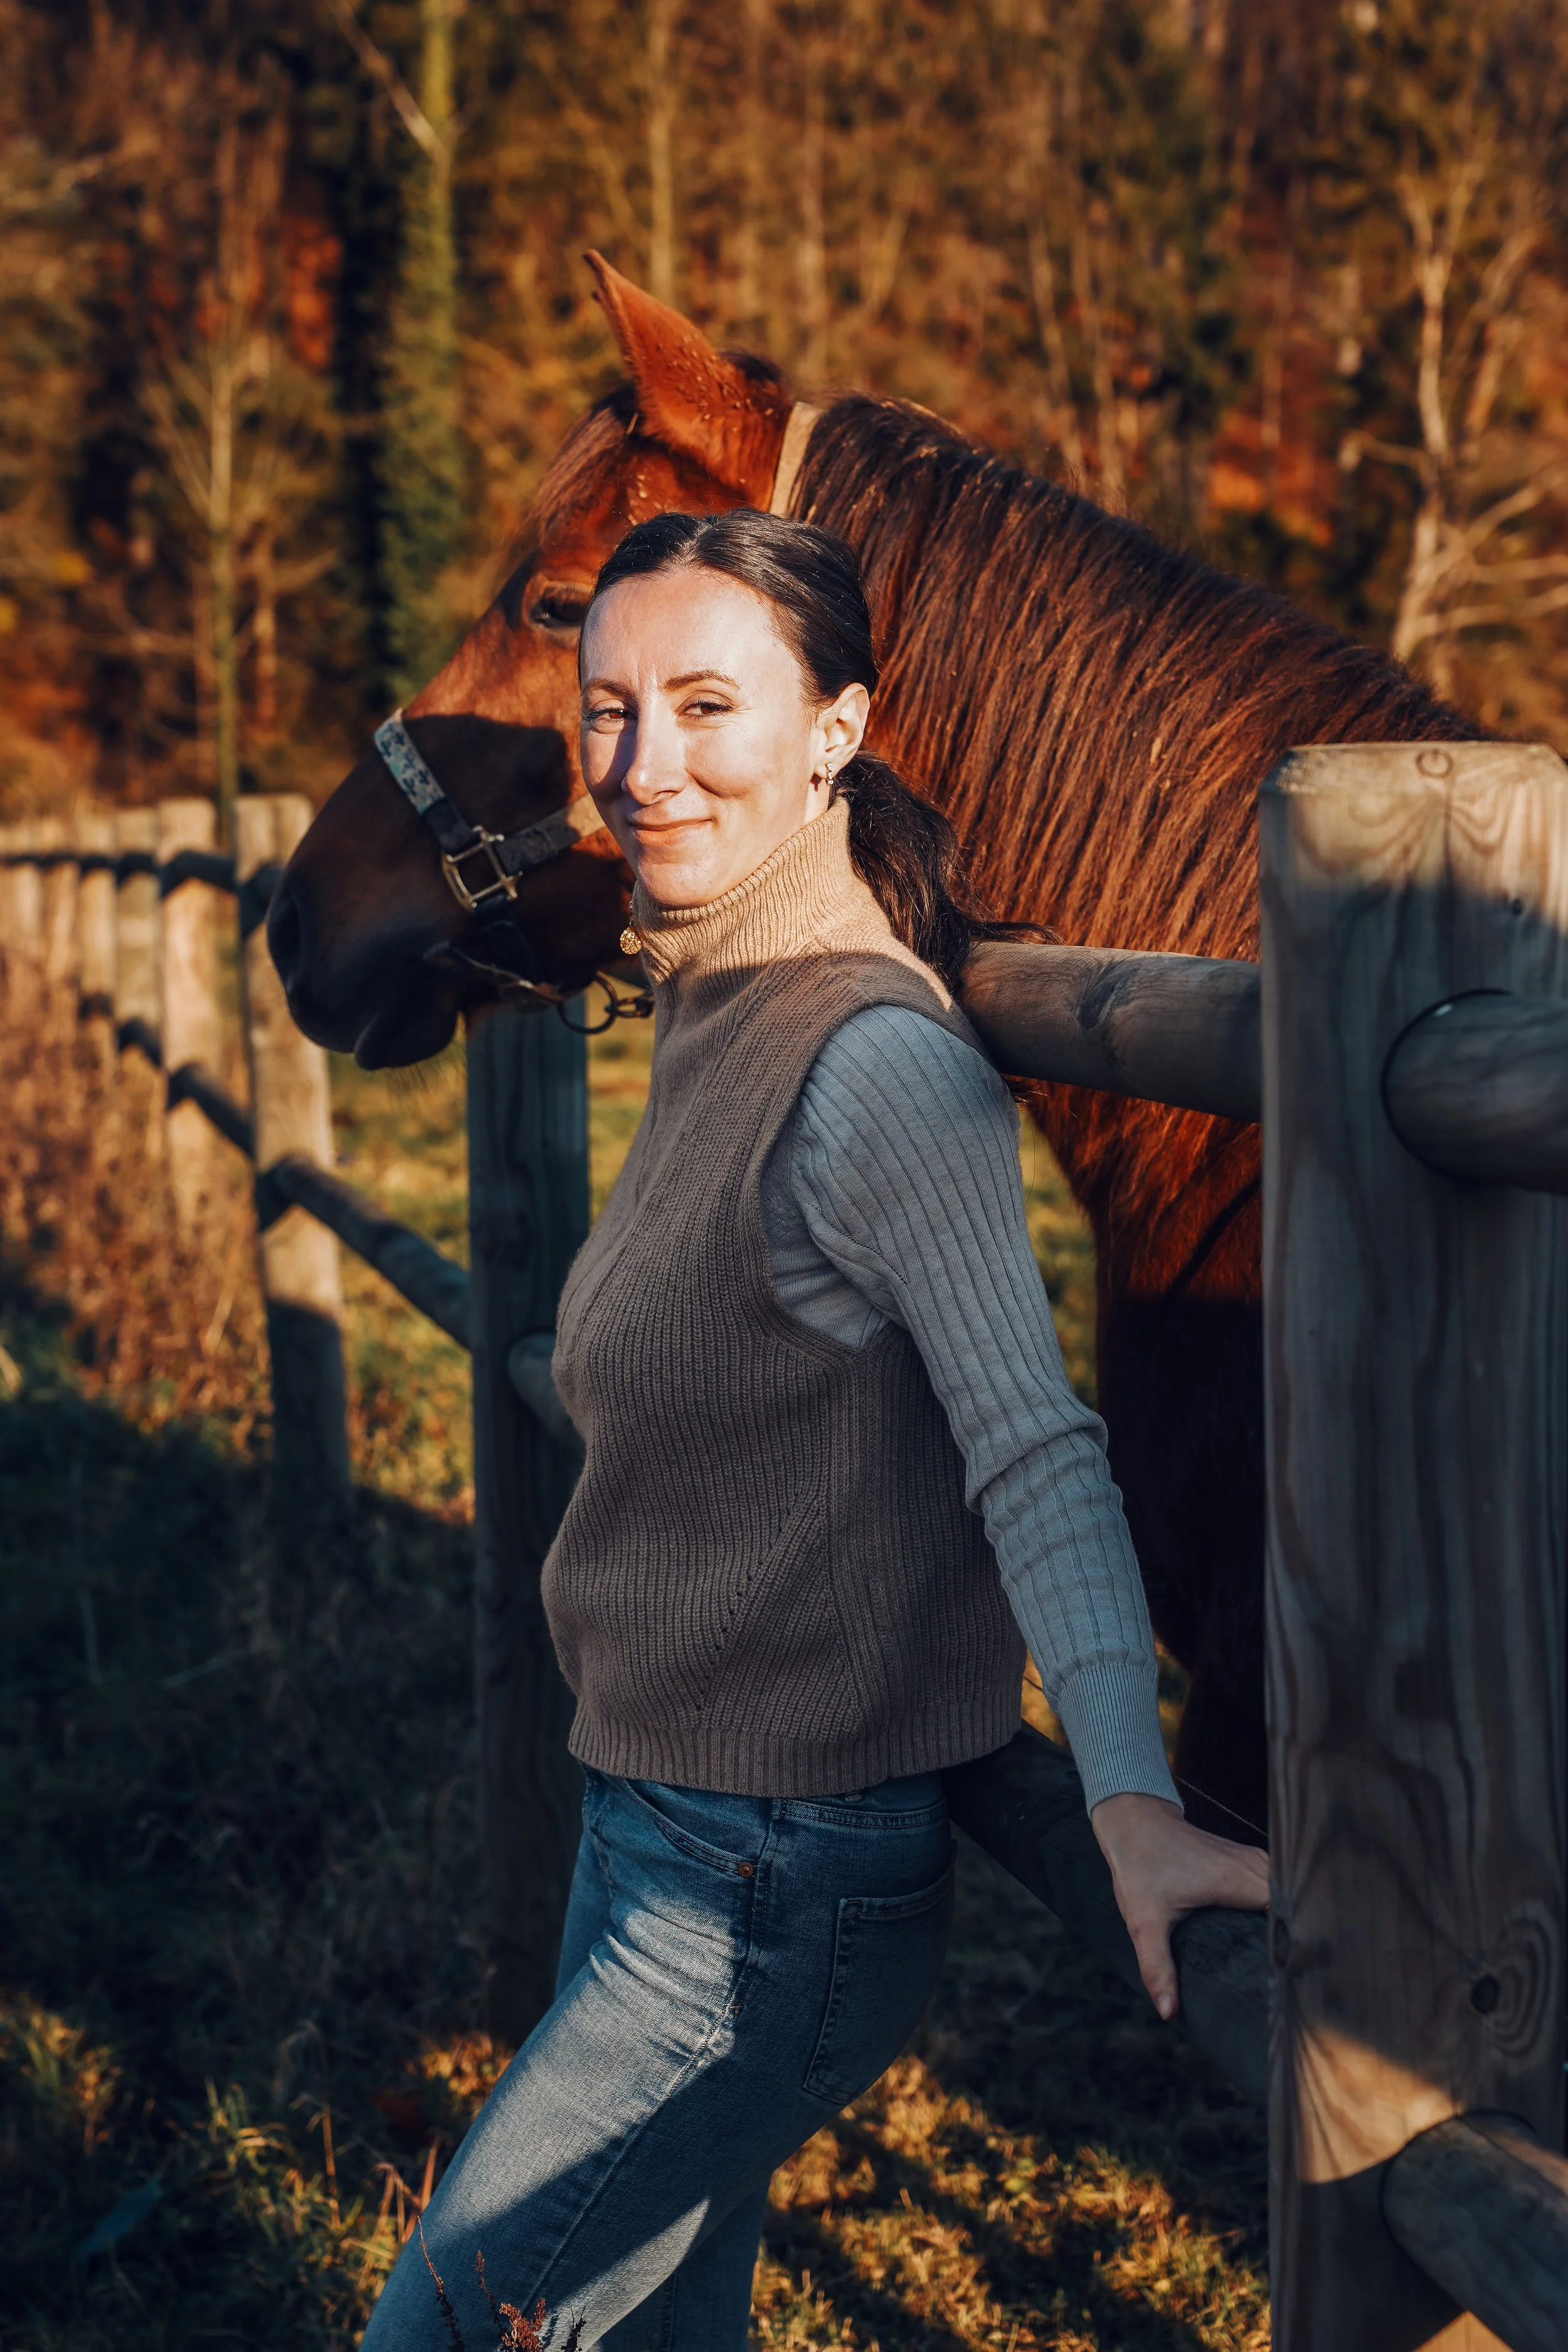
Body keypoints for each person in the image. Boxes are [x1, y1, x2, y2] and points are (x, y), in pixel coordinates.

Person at [363, 509, 1268, 2351]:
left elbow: (1035, 1452)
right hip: (662, 1818)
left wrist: (1130, 1800)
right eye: (609, 708)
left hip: (765, 1889)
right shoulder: (720, 998)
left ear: (837, 728)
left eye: (708, 703)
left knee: (450, 2324)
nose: (642, 764)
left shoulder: (871, 1068)